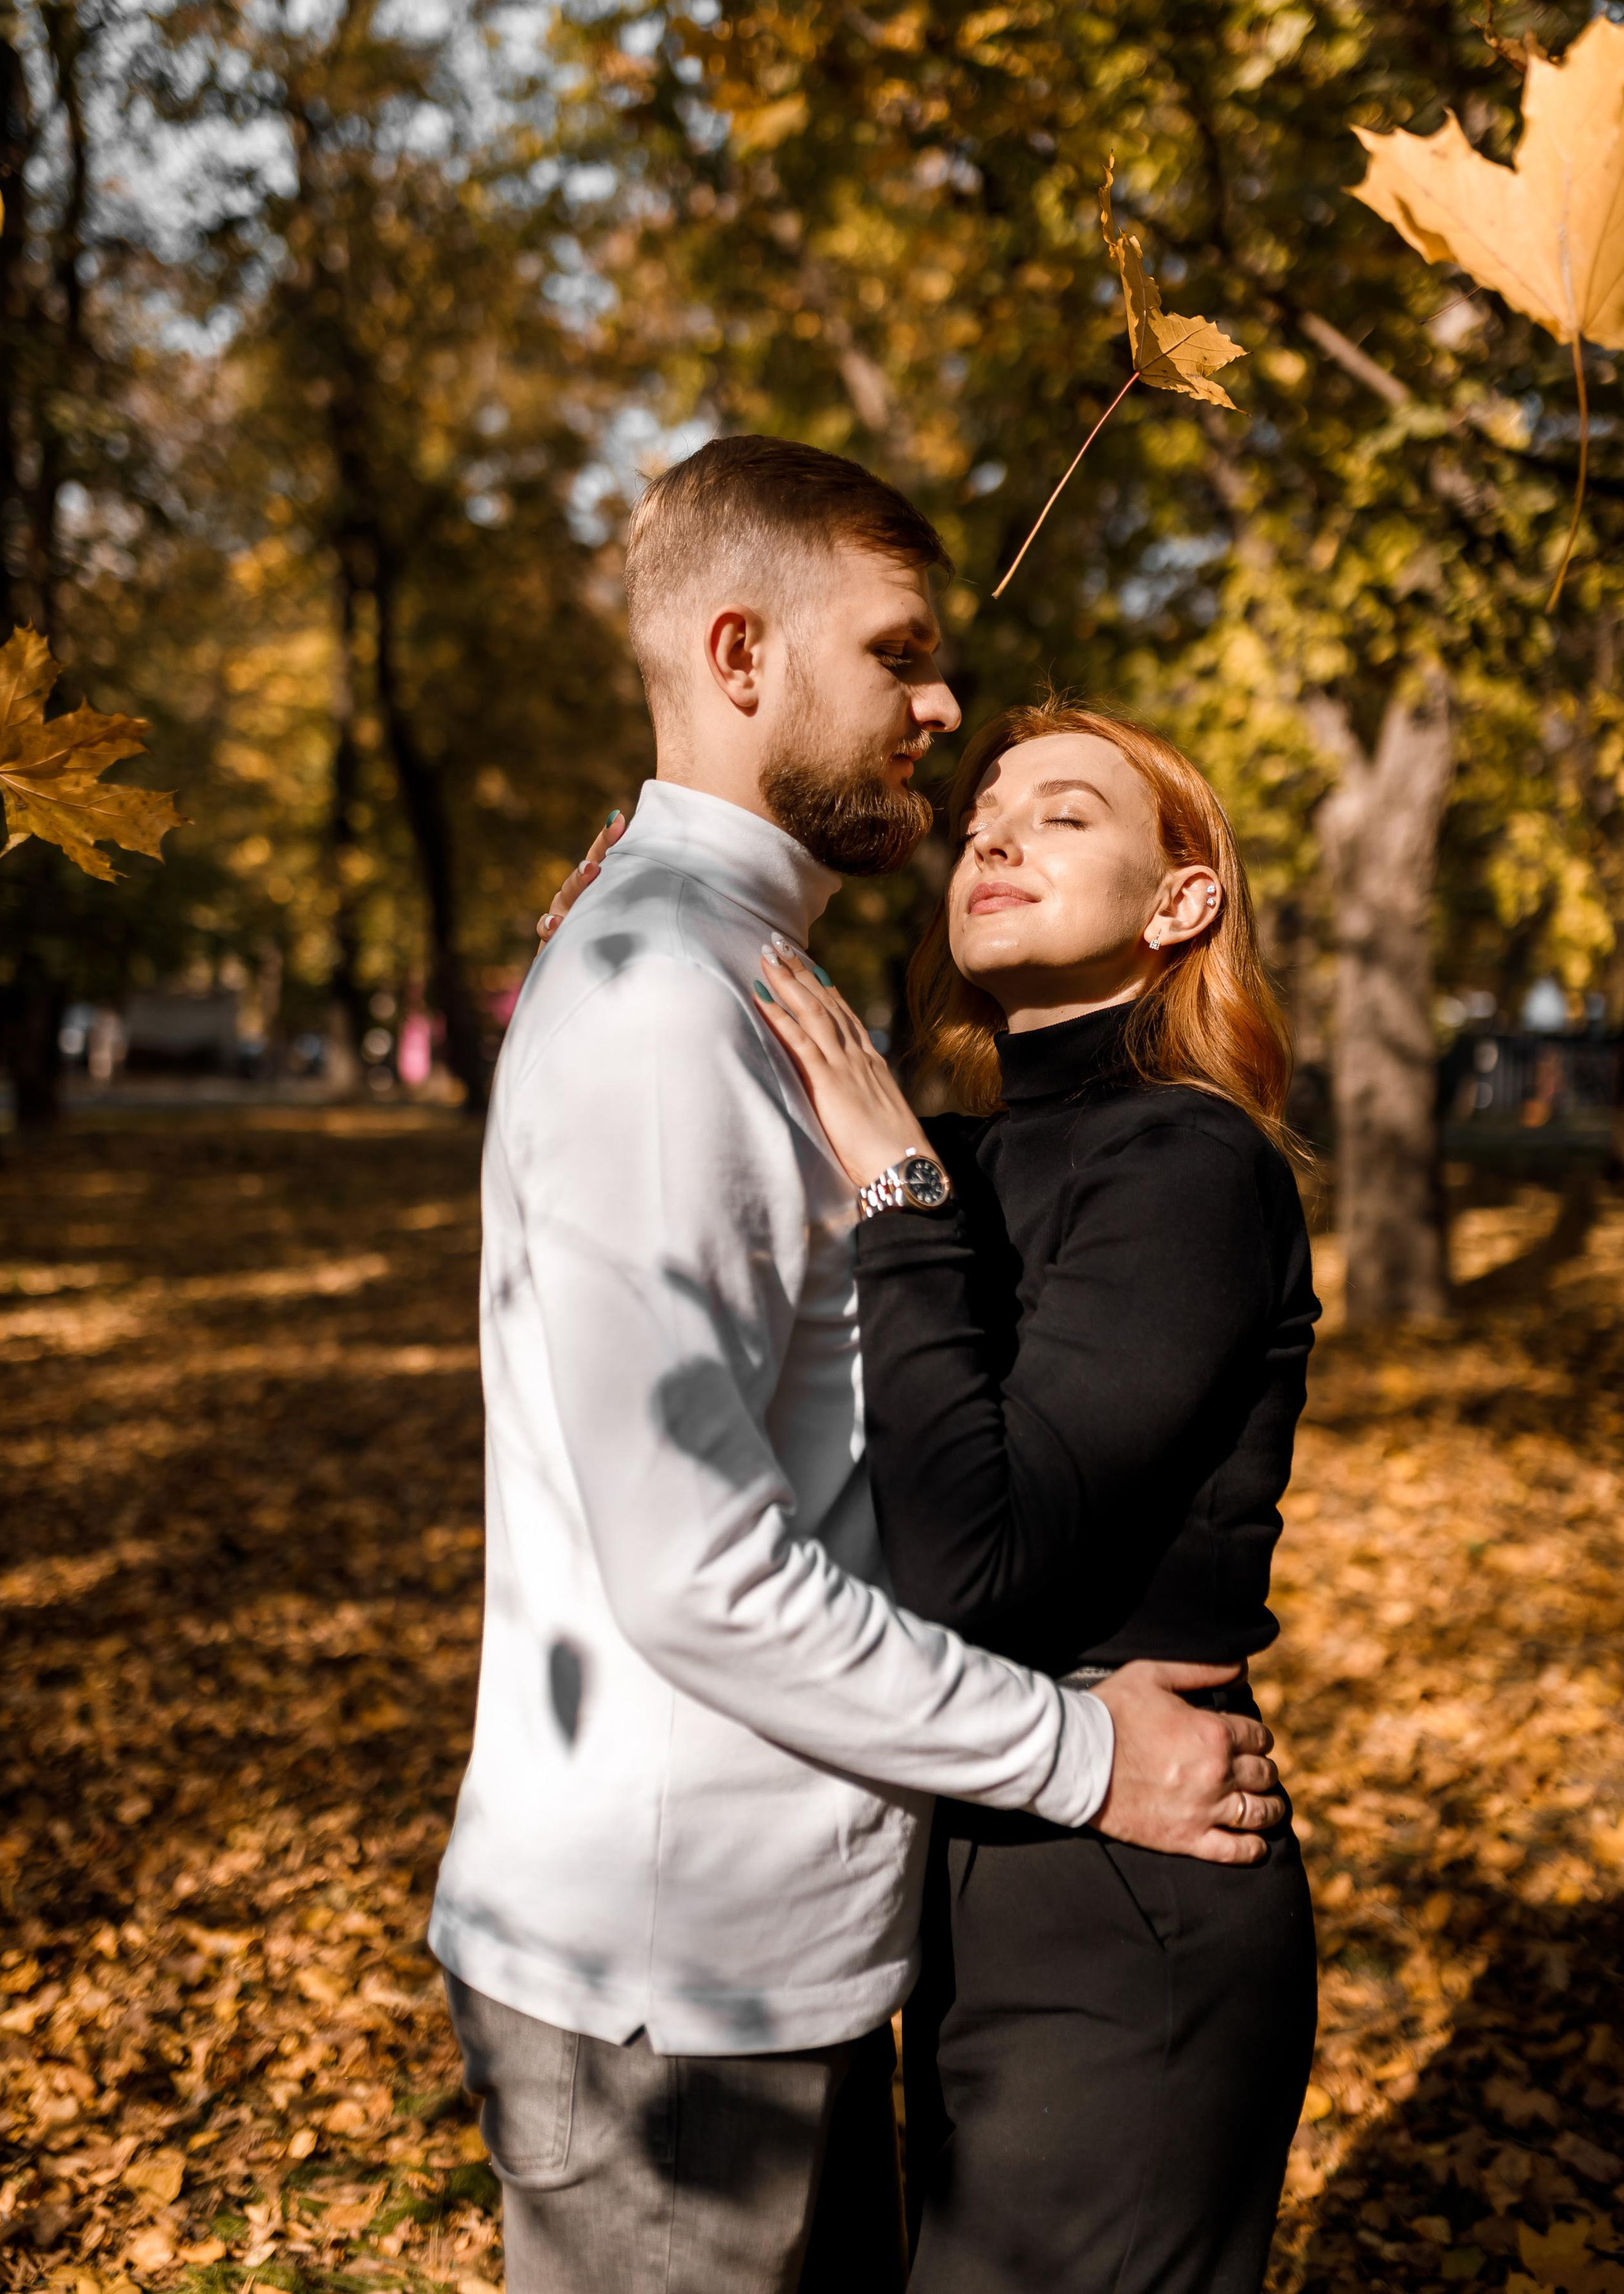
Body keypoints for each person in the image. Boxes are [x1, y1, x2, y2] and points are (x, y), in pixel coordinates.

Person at [435, 438, 1286, 2294]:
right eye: (900, 656)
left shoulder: (727, 968)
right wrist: (1085, 1755)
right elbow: (698, 1571)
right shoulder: (673, 1002)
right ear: (742, 658)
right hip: (677, 1988)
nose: (944, 707)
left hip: (781, 1948)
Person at [750, 699, 1319, 2294]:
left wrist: (905, 1192)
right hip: (955, 1852)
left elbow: (975, 1561)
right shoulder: (964, 1153)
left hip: (1129, 1903)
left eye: (1064, 815)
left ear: (1177, 902)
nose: (992, 833)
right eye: (985, 810)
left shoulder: (1191, 1168)